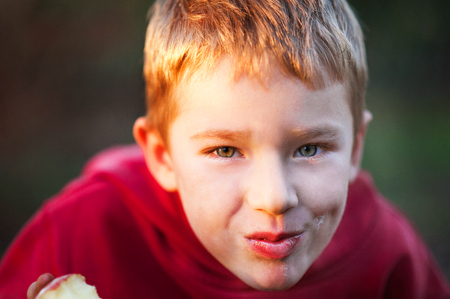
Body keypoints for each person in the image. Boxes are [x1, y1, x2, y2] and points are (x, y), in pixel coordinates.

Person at [1, 0, 449, 298]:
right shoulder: (78, 236)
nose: (274, 197)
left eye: (310, 149)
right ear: (162, 157)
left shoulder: (386, 256)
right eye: (225, 151)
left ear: (355, 150)